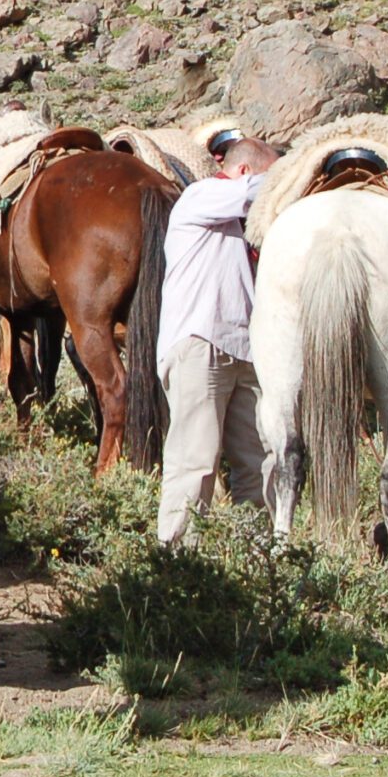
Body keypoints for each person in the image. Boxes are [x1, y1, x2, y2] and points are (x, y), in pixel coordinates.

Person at [154, 132, 280, 546]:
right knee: (195, 460)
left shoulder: (241, 215)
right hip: (201, 341)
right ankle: (176, 565)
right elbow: (263, 191)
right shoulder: (203, 195)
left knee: (259, 461)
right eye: (265, 173)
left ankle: (257, 560)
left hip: (246, 348)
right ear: (243, 172)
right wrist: (295, 172)